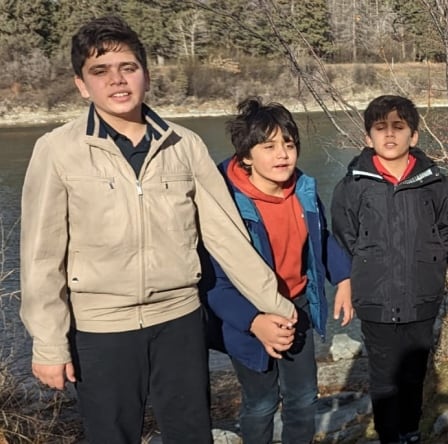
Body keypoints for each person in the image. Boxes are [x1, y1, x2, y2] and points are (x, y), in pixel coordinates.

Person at [19, 16, 297, 444]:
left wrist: (273, 302)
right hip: (100, 328)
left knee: (191, 434)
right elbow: (41, 256)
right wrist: (49, 344)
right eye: (100, 70)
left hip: (180, 320)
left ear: (145, 74)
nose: (117, 80)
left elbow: (226, 235)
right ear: (81, 84)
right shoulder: (58, 151)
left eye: (127, 67)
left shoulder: (185, 145)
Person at [203, 97, 353, 444]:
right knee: (261, 402)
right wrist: (254, 322)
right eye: (268, 146)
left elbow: (321, 239)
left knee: (302, 398)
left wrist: (343, 278)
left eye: (288, 144)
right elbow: (213, 280)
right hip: (248, 316)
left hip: (295, 307)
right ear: (245, 156)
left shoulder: (303, 190)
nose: (282, 154)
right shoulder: (225, 203)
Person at [331, 95, 448, 444]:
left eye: (399, 128)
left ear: (414, 136)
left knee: (414, 374)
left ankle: (410, 431)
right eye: (380, 128)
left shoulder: (435, 184)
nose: (390, 136)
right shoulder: (353, 186)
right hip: (375, 299)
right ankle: (390, 436)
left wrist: (429, 265)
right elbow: (345, 237)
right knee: (384, 378)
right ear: (367, 137)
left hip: (422, 297)